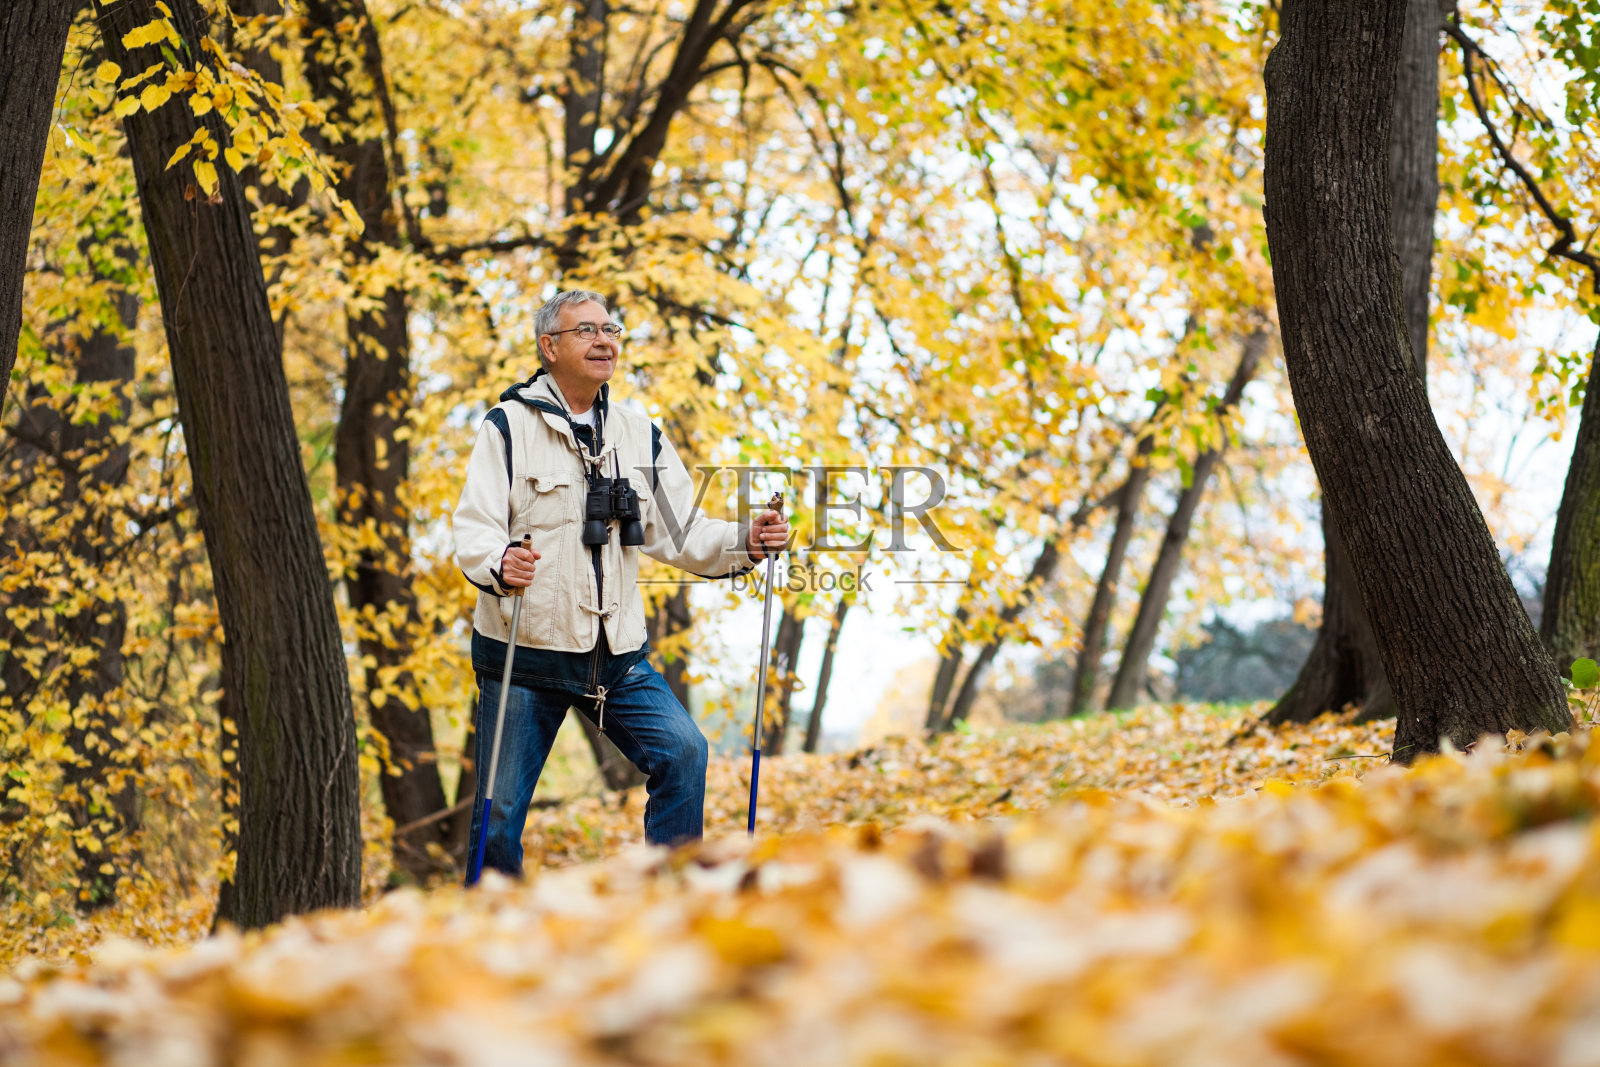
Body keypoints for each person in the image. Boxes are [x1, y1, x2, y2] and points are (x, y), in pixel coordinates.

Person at [453, 289, 789, 876]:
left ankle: (673, 900)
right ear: (549, 347)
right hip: (524, 655)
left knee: (684, 753)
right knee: (499, 814)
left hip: (616, 657)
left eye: (610, 329)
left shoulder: (639, 433)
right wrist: (499, 563)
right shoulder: (506, 427)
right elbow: (475, 528)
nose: (604, 339)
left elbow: (682, 531)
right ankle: (491, 932)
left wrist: (747, 540)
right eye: (586, 331)